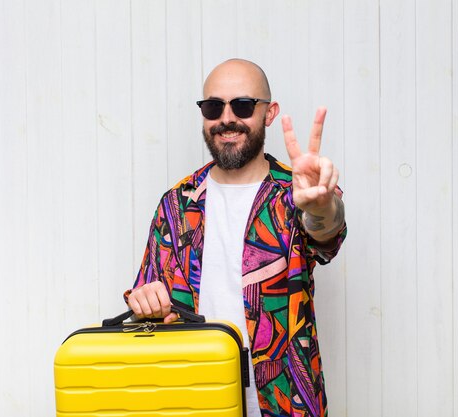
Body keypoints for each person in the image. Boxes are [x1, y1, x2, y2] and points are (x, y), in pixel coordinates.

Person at [124, 58, 346, 416]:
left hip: (284, 403)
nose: (227, 119)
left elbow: (326, 235)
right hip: (192, 401)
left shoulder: (295, 192)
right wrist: (145, 301)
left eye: (242, 105)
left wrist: (321, 207)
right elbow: (146, 306)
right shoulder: (176, 205)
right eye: (213, 107)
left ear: (269, 113)